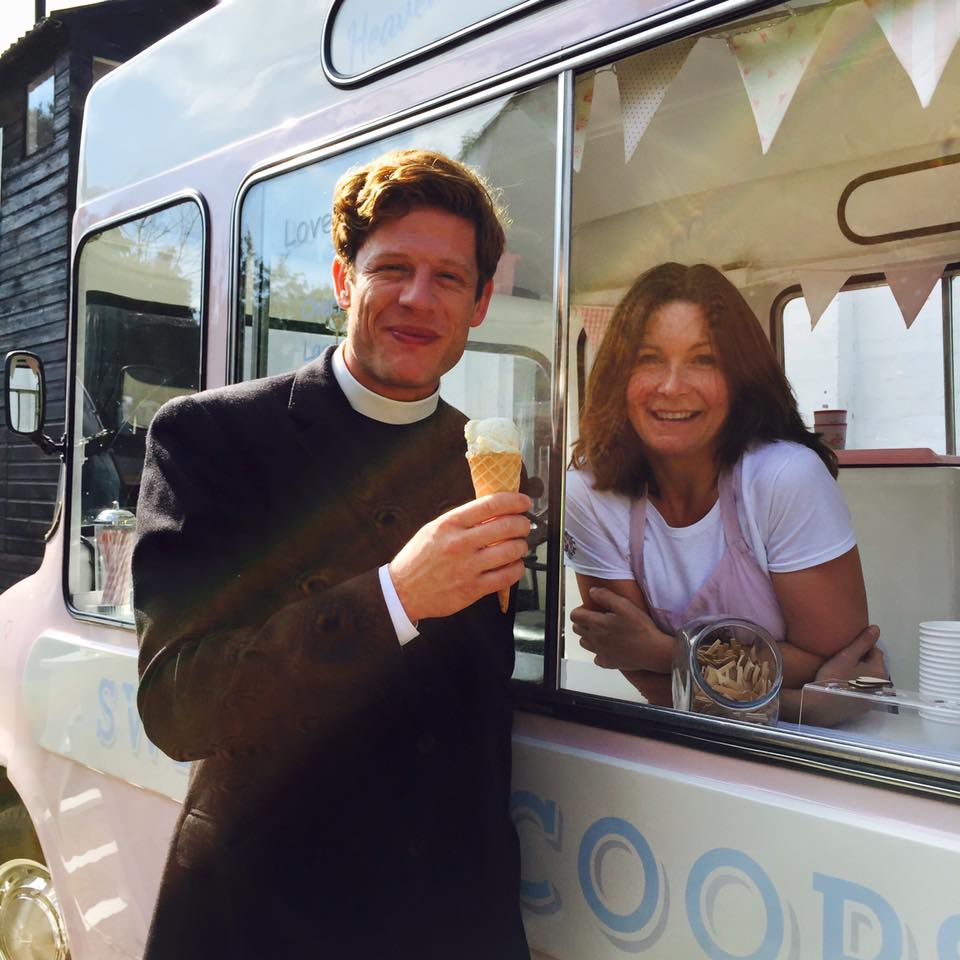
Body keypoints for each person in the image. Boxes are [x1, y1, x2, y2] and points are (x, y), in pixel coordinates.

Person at [134, 149, 532, 960]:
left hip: (451, 923)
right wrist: (394, 597)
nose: (419, 300)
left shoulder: (486, 461)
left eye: (450, 278)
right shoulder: (211, 437)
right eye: (393, 269)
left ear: (482, 300)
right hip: (266, 918)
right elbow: (179, 703)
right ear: (344, 281)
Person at [564, 262, 885, 721]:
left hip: (823, 758)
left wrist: (662, 651)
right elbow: (643, 678)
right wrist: (801, 702)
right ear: (618, 375)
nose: (672, 387)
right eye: (649, 359)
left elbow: (853, 676)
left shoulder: (785, 477)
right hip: (690, 741)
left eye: (704, 360)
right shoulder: (589, 492)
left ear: (739, 379)